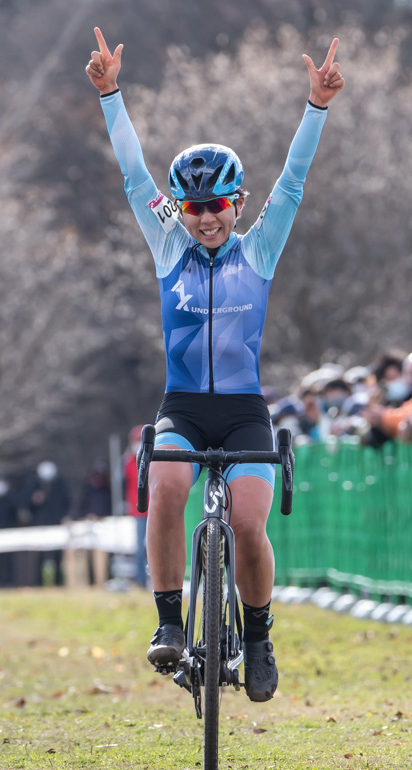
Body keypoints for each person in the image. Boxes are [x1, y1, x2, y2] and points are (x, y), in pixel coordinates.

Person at [87, 26, 343, 702]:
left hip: (242, 412)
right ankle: (170, 622)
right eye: (195, 207)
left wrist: (316, 106)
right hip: (184, 408)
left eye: (219, 205)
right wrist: (111, 95)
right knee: (165, 492)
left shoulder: (258, 251)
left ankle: (258, 637)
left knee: (249, 526)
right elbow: (134, 175)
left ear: (238, 203)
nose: (207, 219)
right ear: (182, 208)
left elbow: (293, 181)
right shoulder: (166, 243)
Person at [24, 460, 71, 585]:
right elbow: (26, 504)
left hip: (56, 524)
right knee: (40, 557)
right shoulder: (33, 484)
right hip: (40, 525)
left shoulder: (60, 484)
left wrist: (65, 517)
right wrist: (33, 500)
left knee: (57, 557)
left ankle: (58, 583)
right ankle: (39, 583)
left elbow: (67, 502)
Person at [122, 427, 150, 588]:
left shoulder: (155, 459)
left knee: (154, 546)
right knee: (139, 549)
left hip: (153, 508)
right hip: (137, 510)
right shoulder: (128, 462)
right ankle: (140, 579)